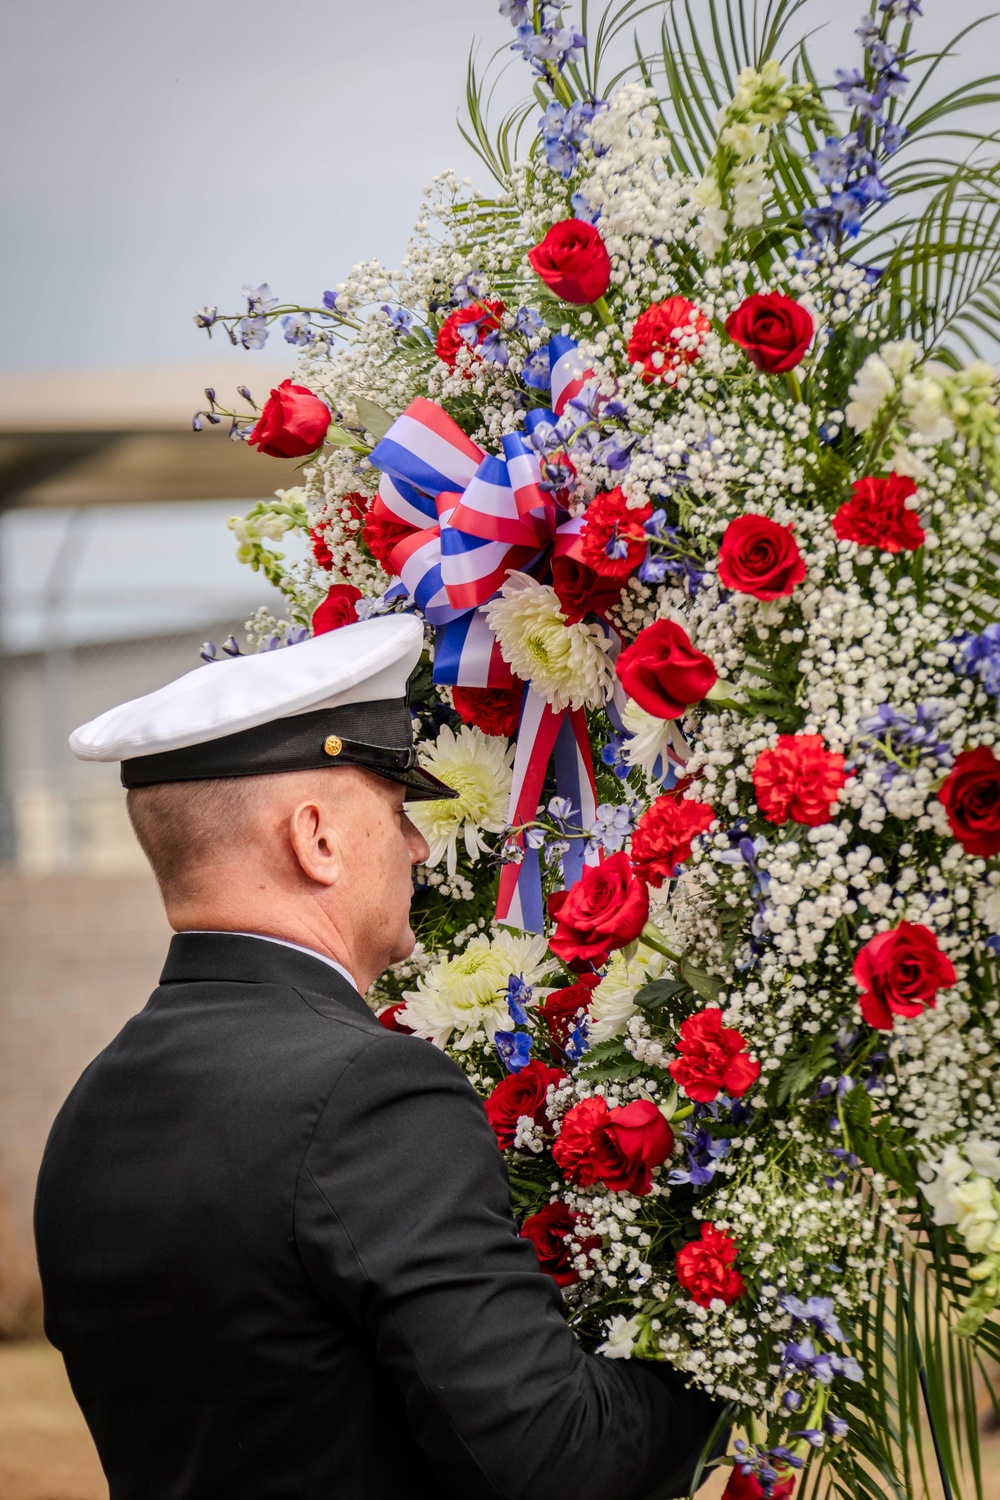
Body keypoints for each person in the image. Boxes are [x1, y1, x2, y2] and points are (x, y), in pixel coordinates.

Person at [34, 613, 722, 1500]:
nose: (418, 846)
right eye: (397, 812)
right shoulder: (368, 1092)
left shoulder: (94, 1107)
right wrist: (727, 1350)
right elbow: (555, 1464)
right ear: (314, 838)